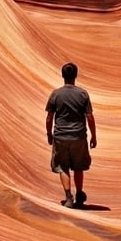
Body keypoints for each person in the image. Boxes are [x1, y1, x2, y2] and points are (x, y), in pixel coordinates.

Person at [45, 62, 97, 208]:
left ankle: (68, 197)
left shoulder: (56, 94)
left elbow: (49, 118)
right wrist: (93, 136)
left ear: (63, 76)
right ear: (75, 75)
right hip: (78, 136)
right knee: (78, 167)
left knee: (63, 167)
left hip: (61, 136)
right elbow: (90, 117)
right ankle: (79, 193)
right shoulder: (82, 94)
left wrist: (49, 133)